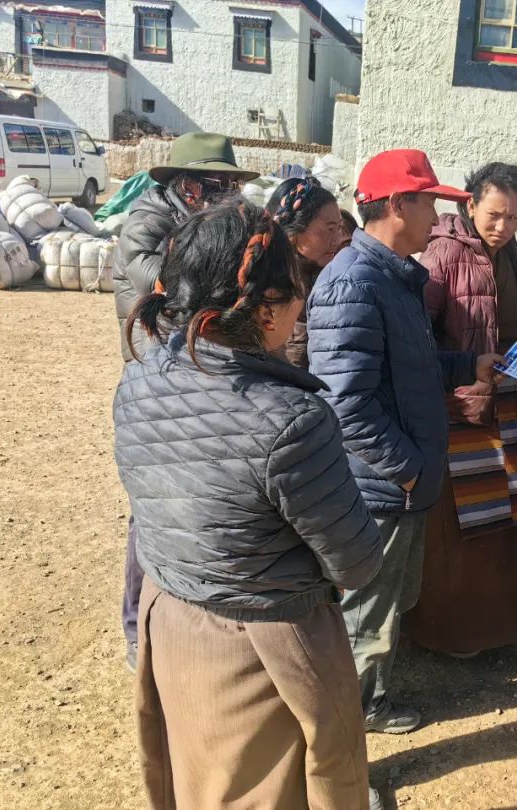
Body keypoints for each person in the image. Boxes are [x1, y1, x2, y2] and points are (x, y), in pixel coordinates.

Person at [114, 200, 383, 809]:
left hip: (171, 615)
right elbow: (357, 561)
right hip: (267, 640)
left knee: (199, 774)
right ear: (266, 311)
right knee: (278, 786)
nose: (303, 302)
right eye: (297, 289)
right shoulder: (292, 419)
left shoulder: (140, 377)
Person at [307, 149, 505, 734]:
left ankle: (370, 690)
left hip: (401, 482)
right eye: (431, 204)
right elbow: (345, 402)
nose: (440, 219)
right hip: (381, 486)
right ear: (397, 204)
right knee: (367, 609)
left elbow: (408, 366)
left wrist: (468, 364)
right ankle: (358, 711)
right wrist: (407, 467)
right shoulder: (354, 283)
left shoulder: (393, 276)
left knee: (390, 599)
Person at [402, 162, 517, 656]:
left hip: (512, 402)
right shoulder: (442, 253)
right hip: (462, 408)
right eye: (495, 214)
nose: (503, 226)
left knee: (516, 510)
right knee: (466, 523)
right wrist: (465, 372)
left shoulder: (513, 255)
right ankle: (455, 629)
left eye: (514, 218)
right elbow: (418, 338)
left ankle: (506, 621)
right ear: (470, 204)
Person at [113, 131, 258, 671]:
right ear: (184, 183)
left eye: (229, 185)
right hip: (160, 372)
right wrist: (219, 268)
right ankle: (137, 628)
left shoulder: (218, 218)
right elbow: (159, 280)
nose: (224, 193)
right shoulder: (149, 220)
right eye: (214, 184)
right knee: (151, 508)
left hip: (202, 366)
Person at [265, 178, 344, 368]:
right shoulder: (269, 287)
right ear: (294, 233)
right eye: (330, 229)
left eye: (339, 228)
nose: (338, 239)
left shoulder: (335, 280)